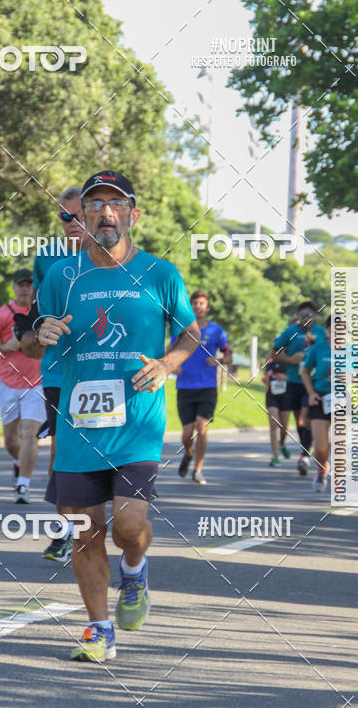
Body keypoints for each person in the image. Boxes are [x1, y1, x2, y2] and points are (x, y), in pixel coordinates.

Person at [21, 170, 200, 663]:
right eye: (95, 203)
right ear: (82, 215)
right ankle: (99, 629)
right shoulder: (62, 275)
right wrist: (43, 333)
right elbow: (28, 340)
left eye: (115, 204)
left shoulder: (161, 274)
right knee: (83, 527)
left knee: (127, 524)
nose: (105, 212)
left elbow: (190, 335)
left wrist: (166, 365)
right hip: (79, 421)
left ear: (132, 215)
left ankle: (136, 567)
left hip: (138, 419)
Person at [29, 187, 89, 562]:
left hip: (104, 368)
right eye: (64, 217)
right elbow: (35, 311)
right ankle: (65, 530)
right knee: (62, 446)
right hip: (57, 370)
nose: (71, 224)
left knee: (101, 448)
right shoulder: (47, 259)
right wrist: (35, 328)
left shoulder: (113, 256)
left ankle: (119, 496)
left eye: (78, 216)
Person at [0, 269, 44, 503]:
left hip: (37, 384)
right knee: (10, 440)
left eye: (29, 284)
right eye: (21, 285)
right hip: (8, 382)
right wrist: (6, 346)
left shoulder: (43, 311)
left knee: (30, 434)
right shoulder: (3, 313)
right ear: (14, 287)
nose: (25, 288)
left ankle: (23, 486)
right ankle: (19, 462)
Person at [174, 290, 232, 485]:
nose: (198, 306)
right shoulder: (181, 330)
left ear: (207, 307)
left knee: (202, 426)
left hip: (207, 387)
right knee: (187, 433)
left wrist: (220, 359)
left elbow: (229, 356)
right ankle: (188, 453)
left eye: (201, 303)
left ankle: (198, 470)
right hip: (185, 387)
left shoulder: (217, 331)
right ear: (189, 306)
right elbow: (169, 353)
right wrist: (173, 366)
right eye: (195, 303)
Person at [272, 301, 326, 476]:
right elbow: (274, 353)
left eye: (309, 315)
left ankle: (304, 455)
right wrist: (290, 359)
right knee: (299, 421)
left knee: (306, 417)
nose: (306, 319)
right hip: (293, 381)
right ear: (297, 317)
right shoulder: (290, 332)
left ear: (314, 317)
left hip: (312, 383)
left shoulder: (320, 333)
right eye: (302, 316)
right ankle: (302, 450)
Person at [300, 315, 332, 492]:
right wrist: (311, 393)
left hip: (343, 399)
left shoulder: (352, 351)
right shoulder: (318, 348)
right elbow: (305, 371)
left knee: (342, 445)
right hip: (320, 397)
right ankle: (322, 469)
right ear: (328, 329)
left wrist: (350, 377)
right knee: (320, 447)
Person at [263, 358, 290, 466]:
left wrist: (285, 378)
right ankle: (275, 456)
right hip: (271, 396)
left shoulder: (290, 361)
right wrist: (265, 379)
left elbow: (297, 378)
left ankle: (282, 444)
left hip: (286, 396)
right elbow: (265, 376)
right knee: (273, 425)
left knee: (284, 428)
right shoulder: (269, 361)